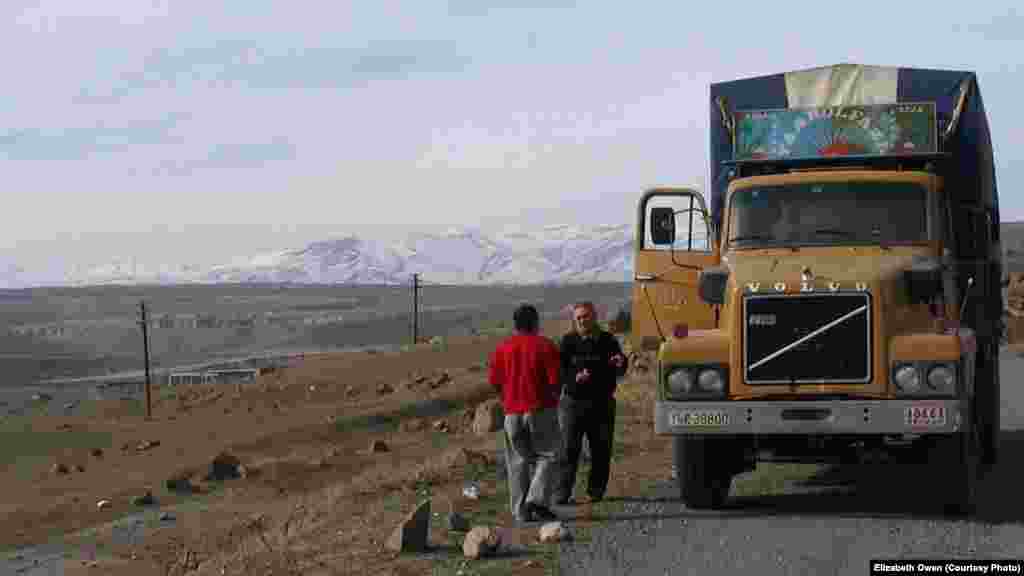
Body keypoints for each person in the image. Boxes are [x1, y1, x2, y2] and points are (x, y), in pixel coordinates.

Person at [488, 303, 562, 523]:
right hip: (540, 410)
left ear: (515, 324)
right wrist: (553, 400)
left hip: (511, 413)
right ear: (535, 322)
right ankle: (536, 500)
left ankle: (520, 512)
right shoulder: (545, 345)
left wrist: (508, 398)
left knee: (517, 461)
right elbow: (555, 380)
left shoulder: (503, 348)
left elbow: (494, 381)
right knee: (549, 455)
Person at [555, 301, 628, 505]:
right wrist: (574, 377)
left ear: (594, 317)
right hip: (573, 403)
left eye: (585, 316)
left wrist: (620, 362)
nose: (581, 320)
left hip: (602, 402)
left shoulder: (608, 340)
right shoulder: (568, 341)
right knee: (569, 450)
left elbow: (620, 364)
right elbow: (559, 371)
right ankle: (562, 494)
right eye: (578, 317)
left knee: (601, 450)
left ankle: (595, 493)